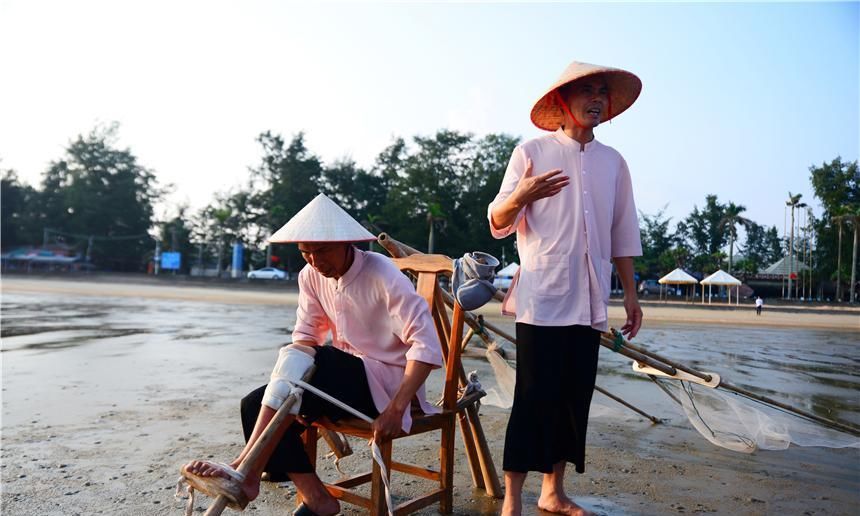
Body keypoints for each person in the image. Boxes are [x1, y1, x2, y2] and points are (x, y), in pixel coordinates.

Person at [182, 193, 444, 516]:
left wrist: (396, 407)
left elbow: (427, 344)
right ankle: (316, 497)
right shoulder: (310, 276)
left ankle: (245, 468)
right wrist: (289, 373)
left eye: (321, 251)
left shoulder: (383, 274)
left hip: (390, 387)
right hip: (340, 384)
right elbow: (305, 338)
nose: (315, 262)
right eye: (306, 253)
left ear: (347, 243)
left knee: (322, 360)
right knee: (253, 404)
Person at [487, 61, 644, 516]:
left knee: (575, 398)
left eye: (601, 92)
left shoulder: (614, 162)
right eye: (585, 91)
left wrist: (631, 296)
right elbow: (498, 219)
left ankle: (552, 492)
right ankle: (513, 498)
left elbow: (622, 232)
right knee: (533, 397)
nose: (595, 98)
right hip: (543, 296)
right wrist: (522, 196)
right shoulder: (531, 151)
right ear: (562, 101)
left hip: (591, 298)